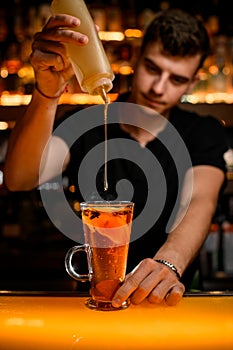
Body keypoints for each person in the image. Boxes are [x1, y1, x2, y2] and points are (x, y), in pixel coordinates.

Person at [4, 8, 227, 307]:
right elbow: (19, 178)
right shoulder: (88, 124)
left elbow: (201, 201)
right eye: (152, 68)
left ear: (192, 83)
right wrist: (47, 94)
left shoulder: (202, 132)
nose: (158, 88)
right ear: (135, 58)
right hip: (96, 299)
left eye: (176, 79)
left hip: (167, 299)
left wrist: (168, 264)